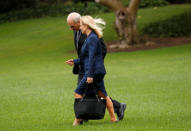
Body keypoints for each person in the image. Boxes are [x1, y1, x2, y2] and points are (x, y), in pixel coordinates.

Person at [66, 12, 126, 123]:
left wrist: (93, 67)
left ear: (81, 23)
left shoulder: (92, 36)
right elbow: (85, 55)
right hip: (86, 67)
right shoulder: (79, 33)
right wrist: (76, 61)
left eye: (72, 26)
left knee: (80, 92)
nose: (71, 29)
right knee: (100, 93)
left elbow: (98, 53)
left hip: (91, 70)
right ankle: (115, 112)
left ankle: (79, 118)